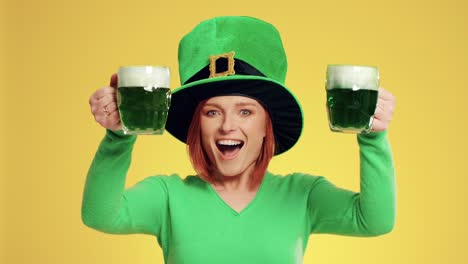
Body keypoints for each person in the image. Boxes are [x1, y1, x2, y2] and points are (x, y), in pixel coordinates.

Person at [82, 16, 396, 264]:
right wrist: (118, 136)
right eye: (212, 113)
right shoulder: (168, 196)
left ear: (266, 125)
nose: (227, 127)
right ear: (197, 126)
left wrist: (374, 138)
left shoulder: (303, 195)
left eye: (245, 112)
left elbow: (374, 221)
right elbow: (100, 215)